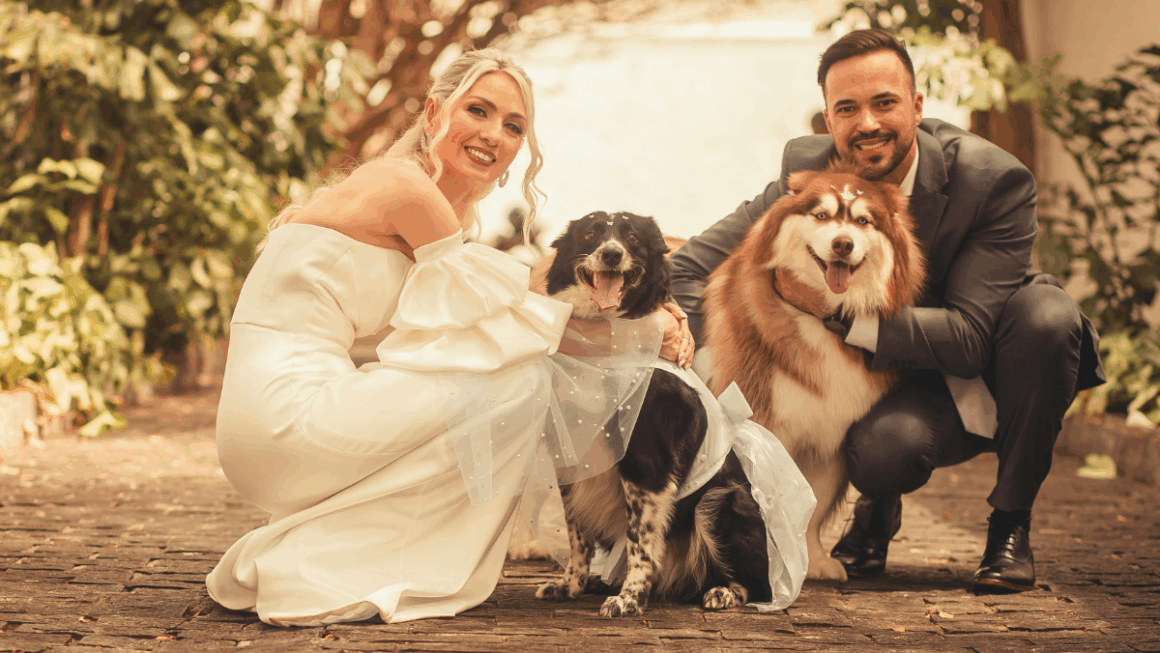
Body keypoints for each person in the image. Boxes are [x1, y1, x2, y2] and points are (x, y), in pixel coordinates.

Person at [206, 48, 695, 627]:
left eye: (514, 126)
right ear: (435, 116)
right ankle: (389, 562)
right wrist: (645, 332)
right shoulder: (403, 188)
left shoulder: (429, 208)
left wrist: (648, 298)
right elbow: (524, 323)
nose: (495, 133)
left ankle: (332, 556)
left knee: (493, 362)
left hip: (270, 422)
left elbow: (519, 297)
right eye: (479, 111)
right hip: (286, 416)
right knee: (519, 373)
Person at [669, 29, 1105, 594]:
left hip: (987, 359)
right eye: (847, 108)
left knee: (1049, 316)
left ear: (917, 107)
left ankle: (1010, 526)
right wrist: (699, 356)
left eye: (884, 103)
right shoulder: (807, 171)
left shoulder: (992, 179)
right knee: (879, 454)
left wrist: (836, 314)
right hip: (885, 374)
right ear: (828, 120)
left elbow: (971, 336)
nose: (867, 123)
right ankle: (877, 507)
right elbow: (692, 267)